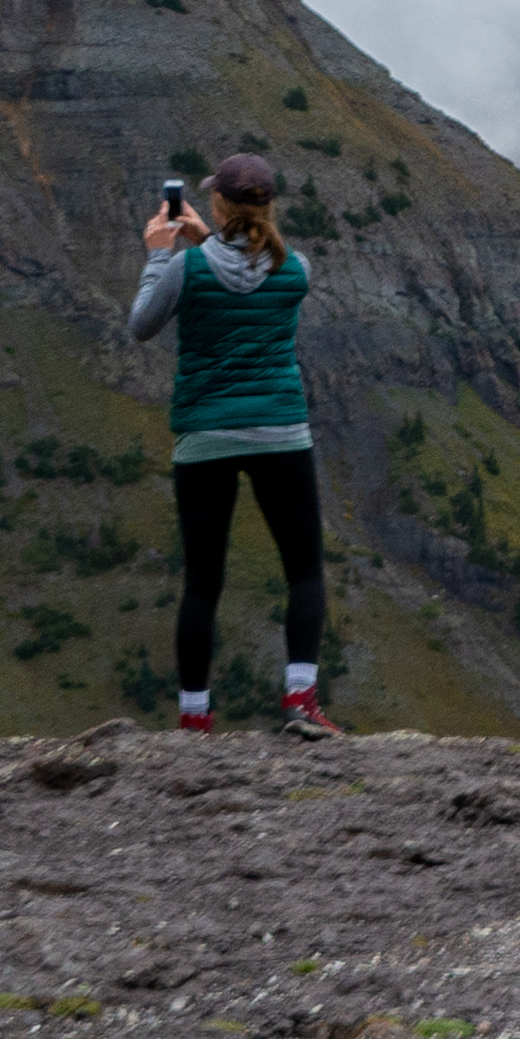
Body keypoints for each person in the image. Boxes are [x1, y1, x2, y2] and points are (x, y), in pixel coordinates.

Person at [127, 155, 334, 737]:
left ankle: (195, 718)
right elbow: (251, 272)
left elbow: (141, 324)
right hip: (280, 432)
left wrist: (161, 253)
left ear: (216, 204)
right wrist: (211, 239)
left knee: (202, 583)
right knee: (304, 571)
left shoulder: (186, 268)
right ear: (268, 206)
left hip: (206, 436)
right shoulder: (297, 269)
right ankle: (301, 702)